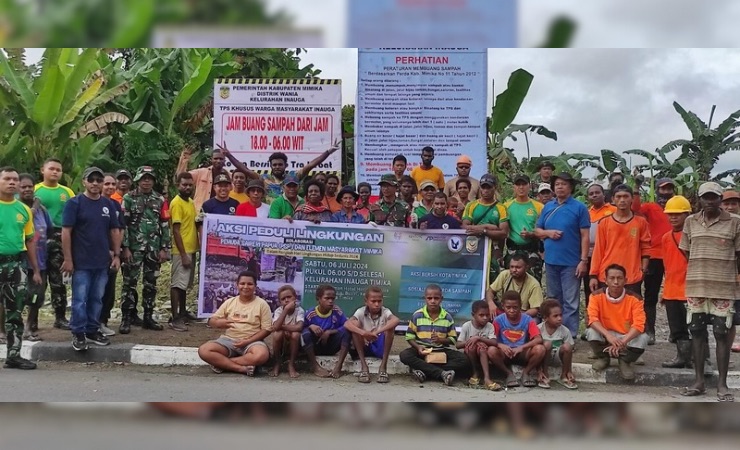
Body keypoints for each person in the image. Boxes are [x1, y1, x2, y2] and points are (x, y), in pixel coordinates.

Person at [679, 182, 740, 402]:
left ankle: (722, 386)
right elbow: (687, 251)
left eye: (714, 197)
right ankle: (699, 382)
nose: (710, 201)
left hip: (724, 288)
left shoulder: (735, 222)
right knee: (696, 332)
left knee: (721, 334)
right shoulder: (690, 221)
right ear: (700, 200)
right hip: (696, 286)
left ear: (720, 199)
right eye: (706, 197)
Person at [62, 166, 121, 351]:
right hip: (81, 262)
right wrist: (68, 259)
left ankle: (92, 330)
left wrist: (117, 254)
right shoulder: (75, 203)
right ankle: (78, 333)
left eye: (98, 180)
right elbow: (66, 232)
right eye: (91, 179)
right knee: (80, 299)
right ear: (84, 182)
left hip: (102, 262)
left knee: (97, 298)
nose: (95, 183)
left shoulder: (108, 204)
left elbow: (114, 230)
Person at [535, 172, 590, 339]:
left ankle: (570, 335)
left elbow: (585, 236)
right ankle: (554, 334)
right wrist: (548, 233)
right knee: (553, 299)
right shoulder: (548, 207)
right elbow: (537, 230)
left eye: (563, 184)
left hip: (571, 262)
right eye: (557, 184)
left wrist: (583, 260)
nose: (559, 187)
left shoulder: (579, 208)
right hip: (551, 262)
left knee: (571, 302)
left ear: (571, 187)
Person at [120, 166, 171, 334]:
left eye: (149, 178)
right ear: (137, 180)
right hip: (134, 249)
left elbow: (164, 224)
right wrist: (125, 247)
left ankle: (148, 317)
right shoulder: (128, 198)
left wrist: (165, 248)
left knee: (151, 284)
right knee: (129, 284)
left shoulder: (160, 200)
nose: (147, 181)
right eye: (144, 178)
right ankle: (126, 318)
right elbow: (123, 225)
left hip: (153, 249)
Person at [0, 167, 42, 370]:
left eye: (15, 179)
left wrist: (35, 269)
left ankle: (13, 355)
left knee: (14, 311)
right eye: (7, 179)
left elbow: (30, 240)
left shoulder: (24, 210)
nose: (12, 183)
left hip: (16, 264)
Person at [215, 140, 341, 204]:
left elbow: (312, 165)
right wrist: (229, 156)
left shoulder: (293, 176)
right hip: (269, 217)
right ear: (270, 166)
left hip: (289, 217)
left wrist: (328, 152)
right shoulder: (263, 178)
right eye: (274, 165)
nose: (277, 167)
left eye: (280, 164)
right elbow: (244, 169)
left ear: (286, 165)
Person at [198, 271, 272, 376]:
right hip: (229, 341)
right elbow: (212, 321)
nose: (245, 287)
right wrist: (219, 323)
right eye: (242, 283)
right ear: (237, 285)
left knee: (261, 355)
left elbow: (267, 329)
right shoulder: (230, 302)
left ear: (255, 286)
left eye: (250, 284)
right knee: (204, 350)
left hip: (252, 342)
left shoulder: (262, 304)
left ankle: (222, 364)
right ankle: (240, 369)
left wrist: (247, 341)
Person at [586, 264, 648, 381]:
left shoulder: (635, 299)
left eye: (619, 278)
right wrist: (608, 336)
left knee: (643, 338)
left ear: (625, 280)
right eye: (612, 278)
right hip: (606, 335)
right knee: (590, 332)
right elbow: (592, 319)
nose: (616, 282)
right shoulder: (595, 296)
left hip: (625, 336)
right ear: (605, 280)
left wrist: (622, 342)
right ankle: (603, 358)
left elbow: (639, 324)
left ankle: (624, 360)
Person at [632, 177, 675, 345]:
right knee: (651, 295)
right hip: (654, 256)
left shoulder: (677, 208)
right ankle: (650, 331)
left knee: (675, 295)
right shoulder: (650, 207)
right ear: (657, 190)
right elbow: (635, 209)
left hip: (674, 256)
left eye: (669, 189)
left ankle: (676, 332)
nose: (665, 192)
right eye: (663, 189)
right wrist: (636, 187)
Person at [399, 284, 468, 386]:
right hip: (421, 351)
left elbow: (453, 339)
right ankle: (442, 373)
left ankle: (425, 371)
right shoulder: (417, 315)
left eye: (436, 298)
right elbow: (409, 337)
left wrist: (441, 340)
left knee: (464, 360)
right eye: (429, 298)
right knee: (404, 355)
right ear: (425, 299)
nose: (433, 301)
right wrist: (418, 347)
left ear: (441, 299)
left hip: (440, 350)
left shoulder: (447, 317)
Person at [34, 158, 74, 330]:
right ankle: (32, 320)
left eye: (58, 169)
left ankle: (60, 317)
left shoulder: (67, 192)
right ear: (43, 170)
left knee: (58, 280)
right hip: (38, 240)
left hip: (60, 237)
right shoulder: (35, 190)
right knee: (37, 281)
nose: (55, 172)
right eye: (51, 168)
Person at [589, 184, 651, 294]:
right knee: (608, 309)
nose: (622, 200)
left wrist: (643, 270)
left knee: (631, 309)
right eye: (618, 197)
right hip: (607, 276)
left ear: (632, 198)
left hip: (632, 275)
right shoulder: (604, 223)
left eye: (626, 196)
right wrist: (593, 275)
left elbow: (645, 246)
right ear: (613, 199)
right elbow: (598, 250)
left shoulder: (641, 222)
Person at [660, 196, 693, 369]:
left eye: (677, 214)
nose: (673, 217)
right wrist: (665, 291)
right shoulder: (666, 237)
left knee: (695, 328)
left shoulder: (694, 236)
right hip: (672, 290)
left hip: (690, 291)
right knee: (677, 328)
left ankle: (702, 359)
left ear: (687, 214)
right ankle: (682, 357)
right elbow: (668, 266)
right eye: (670, 214)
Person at [343, 286, 400, 384]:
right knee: (354, 325)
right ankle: (364, 368)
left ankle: (383, 368)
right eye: (373, 301)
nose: (377, 304)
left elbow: (396, 320)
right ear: (366, 301)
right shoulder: (360, 311)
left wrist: (376, 332)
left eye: (379, 301)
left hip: (379, 346)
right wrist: (364, 333)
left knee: (390, 328)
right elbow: (347, 324)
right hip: (364, 345)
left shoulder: (385, 311)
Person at [489, 291, 546, 388]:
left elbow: (538, 339)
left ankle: (526, 373)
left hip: (522, 353)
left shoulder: (528, 320)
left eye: (515, 307)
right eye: (508, 307)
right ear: (503, 306)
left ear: (520, 306)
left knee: (540, 349)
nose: (511, 310)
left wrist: (521, 347)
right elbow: (491, 339)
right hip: (505, 353)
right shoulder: (498, 320)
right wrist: (500, 345)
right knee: (491, 350)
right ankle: (508, 374)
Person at [18, 174, 51, 341]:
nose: (27, 189)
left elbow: (50, 230)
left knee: (36, 297)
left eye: (30, 186)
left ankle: (29, 328)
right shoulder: (14, 208)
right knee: (12, 298)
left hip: (39, 260)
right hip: (18, 262)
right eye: (23, 187)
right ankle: (4, 331)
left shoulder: (42, 210)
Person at [463, 174, 510, 283]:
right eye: (483, 187)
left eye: (489, 187)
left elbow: (504, 232)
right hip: (474, 248)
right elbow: (465, 226)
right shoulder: (471, 205)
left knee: (493, 281)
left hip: (495, 250)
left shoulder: (501, 208)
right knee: (475, 279)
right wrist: (489, 227)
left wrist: (483, 231)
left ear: (495, 188)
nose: (485, 190)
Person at [168, 172, 198, 333]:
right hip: (181, 250)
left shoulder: (191, 202)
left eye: (189, 185)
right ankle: (175, 318)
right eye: (184, 184)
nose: (187, 187)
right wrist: (183, 254)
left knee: (185, 284)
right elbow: (176, 230)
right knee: (177, 284)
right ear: (178, 185)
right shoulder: (177, 203)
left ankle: (183, 312)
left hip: (191, 248)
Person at [302, 284, 351, 378]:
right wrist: (310, 326)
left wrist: (329, 332)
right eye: (327, 298)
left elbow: (346, 325)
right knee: (305, 334)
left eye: (333, 298)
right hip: (316, 346)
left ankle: (338, 366)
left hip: (331, 346)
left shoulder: (337, 311)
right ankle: (315, 366)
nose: (330, 301)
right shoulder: (311, 314)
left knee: (347, 332)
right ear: (318, 299)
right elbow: (301, 328)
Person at [98, 173, 125, 337]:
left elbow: (120, 229)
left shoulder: (116, 205)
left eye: (112, 184)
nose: (109, 187)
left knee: (109, 289)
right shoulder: (89, 203)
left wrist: (117, 252)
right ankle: (90, 322)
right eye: (106, 183)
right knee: (94, 290)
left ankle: (103, 321)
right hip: (95, 254)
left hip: (112, 255)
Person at [504, 174, 544, 282]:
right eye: (518, 184)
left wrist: (531, 234)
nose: (521, 187)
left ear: (529, 186)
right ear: (514, 187)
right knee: (511, 283)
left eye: (524, 184)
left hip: (532, 250)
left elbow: (544, 231)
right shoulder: (506, 206)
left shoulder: (539, 207)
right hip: (513, 250)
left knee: (534, 282)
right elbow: (503, 230)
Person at [455, 300, 502, 391]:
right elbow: (458, 344)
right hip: (470, 353)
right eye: (481, 315)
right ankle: (475, 373)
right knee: (471, 346)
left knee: (481, 348)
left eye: (487, 315)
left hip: (483, 353)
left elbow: (494, 342)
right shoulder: (467, 326)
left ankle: (487, 378)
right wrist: (471, 341)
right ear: (473, 315)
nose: (485, 318)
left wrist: (479, 339)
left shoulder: (489, 326)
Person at [584, 184, 616, 307]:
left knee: (605, 285)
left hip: (607, 255)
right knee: (590, 287)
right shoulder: (587, 213)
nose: (594, 195)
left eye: (597, 192)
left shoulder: (613, 210)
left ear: (604, 194)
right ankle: (591, 315)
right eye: (591, 194)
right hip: (589, 255)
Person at [486, 254, 543, 318]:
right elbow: (490, 291)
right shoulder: (504, 274)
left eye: (518, 267)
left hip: (522, 314)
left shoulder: (534, 284)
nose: (514, 270)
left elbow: (535, 309)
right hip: (503, 310)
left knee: (534, 321)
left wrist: (517, 316)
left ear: (526, 268)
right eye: (512, 267)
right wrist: (490, 303)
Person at [537, 299, 577, 390]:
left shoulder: (565, 330)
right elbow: (534, 351)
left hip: (557, 358)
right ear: (545, 318)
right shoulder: (538, 329)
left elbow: (569, 351)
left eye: (560, 315)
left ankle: (564, 376)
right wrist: (538, 370)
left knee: (567, 346)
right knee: (547, 344)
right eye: (555, 316)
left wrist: (570, 370)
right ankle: (544, 373)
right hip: (543, 359)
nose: (559, 318)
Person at [268, 285, 305, 379]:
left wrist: (283, 327)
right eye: (283, 299)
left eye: (289, 297)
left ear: (295, 298)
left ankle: (291, 364)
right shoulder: (279, 311)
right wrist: (286, 310)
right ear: (280, 302)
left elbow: (299, 327)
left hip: (294, 342)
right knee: (277, 334)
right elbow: (276, 328)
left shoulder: (299, 310)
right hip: (282, 342)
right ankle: (277, 362)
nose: (286, 300)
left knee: (295, 334)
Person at [175, 148, 228, 212]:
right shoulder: (201, 172)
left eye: (221, 159)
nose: (218, 161)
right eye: (216, 158)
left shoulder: (229, 176)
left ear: (225, 160)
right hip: (199, 212)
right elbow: (181, 178)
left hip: (220, 213)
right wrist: (183, 162)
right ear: (211, 159)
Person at [720, 190, 740, 353]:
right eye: (727, 203)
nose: (730, 207)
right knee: (728, 317)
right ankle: (725, 352)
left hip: (737, 275)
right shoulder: (714, 224)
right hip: (721, 276)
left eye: (734, 203)